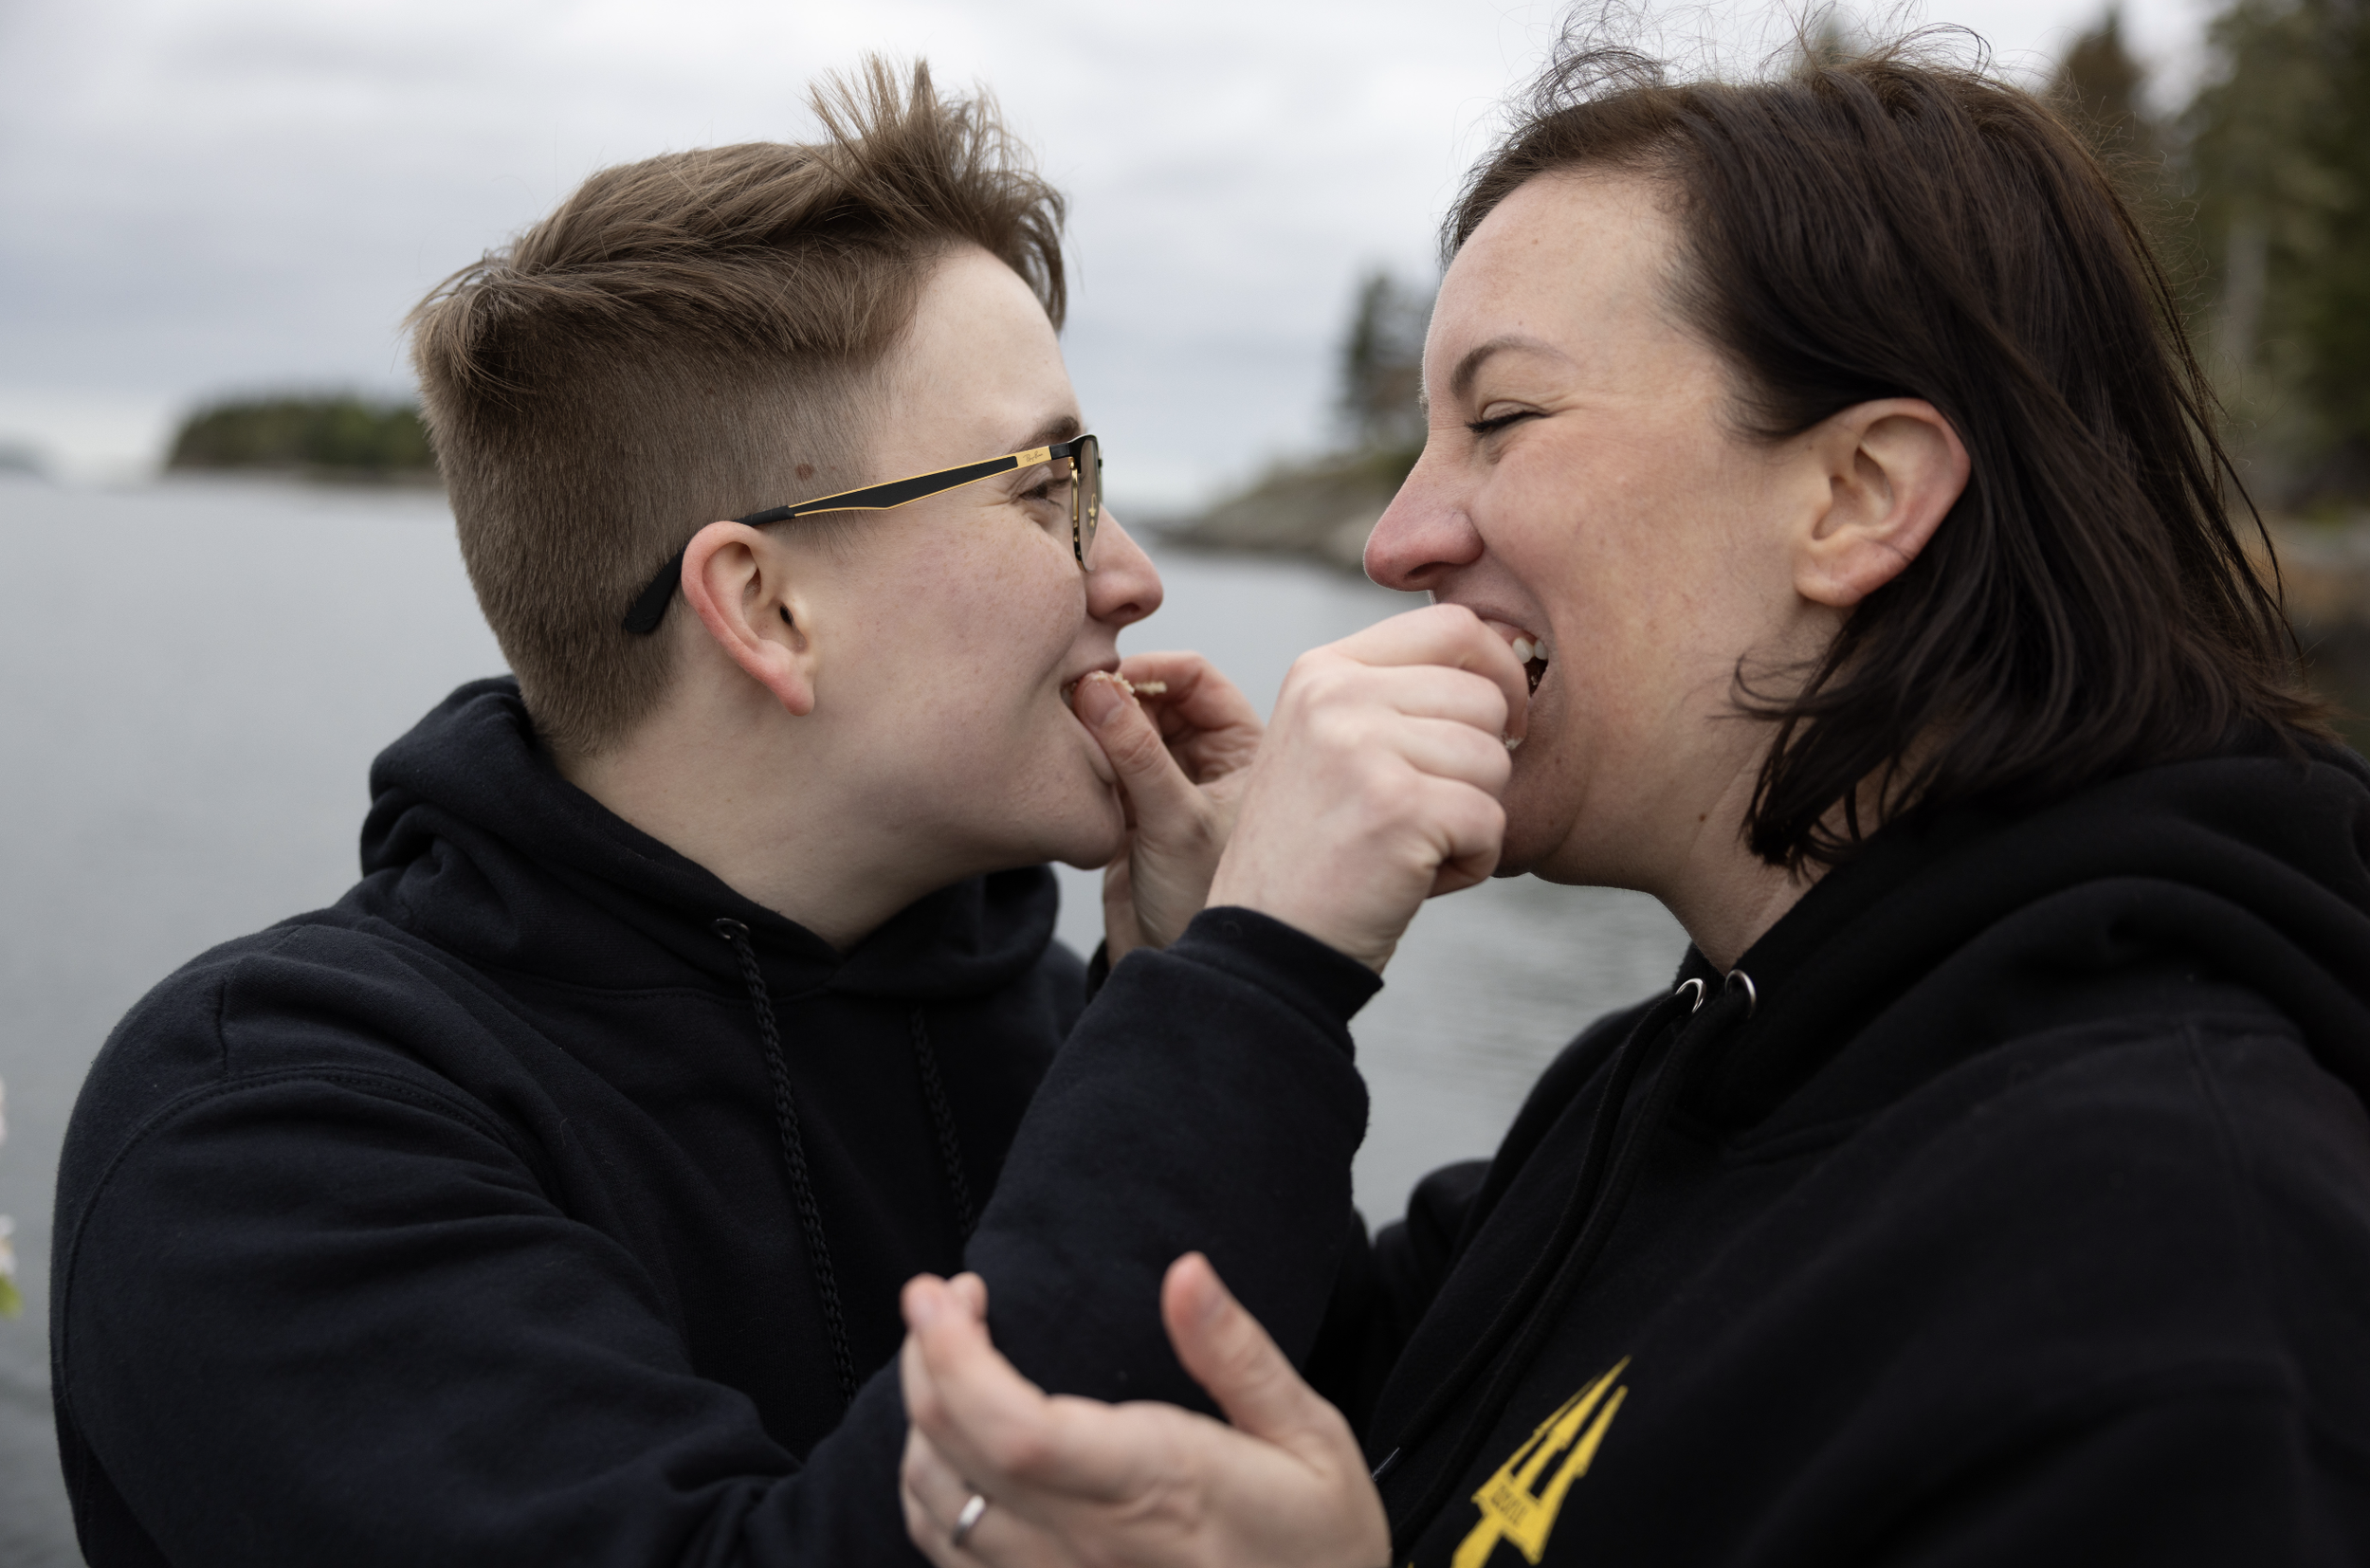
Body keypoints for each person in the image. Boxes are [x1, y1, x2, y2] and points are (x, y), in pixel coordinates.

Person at [892, 33, 2370, 1567]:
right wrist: (1217, 977)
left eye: (1503, 419)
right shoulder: (1671, 1082)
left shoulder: (2187, 1264)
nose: (1398, 537)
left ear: (1858, 495)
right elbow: (1333, 1433)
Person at [47, 61, 1308, 1565]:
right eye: (1050, 487)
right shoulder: (266, 1134)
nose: (1131, 574)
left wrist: (1191, 996)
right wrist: (1254, 985)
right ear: (766, 605)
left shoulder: (1072, 1025)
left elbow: (1368, 1413)